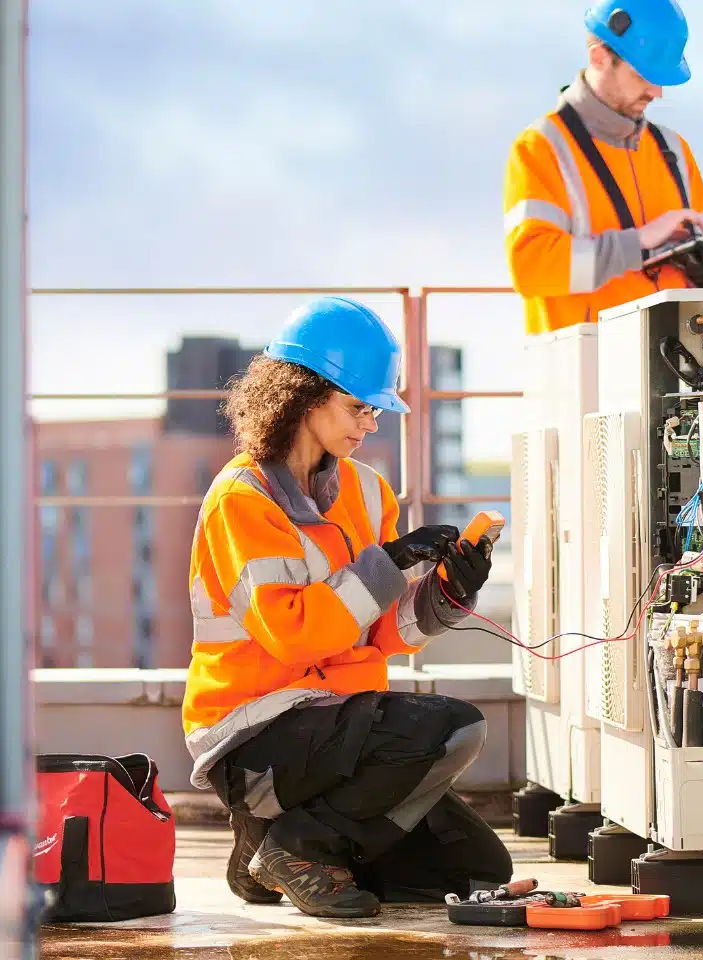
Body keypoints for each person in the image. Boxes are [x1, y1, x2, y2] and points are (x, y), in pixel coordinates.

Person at [181, 296, 513, 918]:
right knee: (454, 727)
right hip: (256, 732)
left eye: (375, 409)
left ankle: (271, 845)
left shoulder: (367, 488)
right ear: (303, 396)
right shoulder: (243, 498)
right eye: (358, 406)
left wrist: (450, 592)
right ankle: (298, 845)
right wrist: (386, 564)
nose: (370, 423)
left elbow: (387, 633)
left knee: (476, 869)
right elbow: (294, 636)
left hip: (339, 726)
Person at [503, 0, 703, 336]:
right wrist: (638, 243)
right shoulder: (541, 147)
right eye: (643, 75)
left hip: (673, 374)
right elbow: (531, 269)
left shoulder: (674, 150)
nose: (657, 92)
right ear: (599, 57)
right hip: (585, 375)